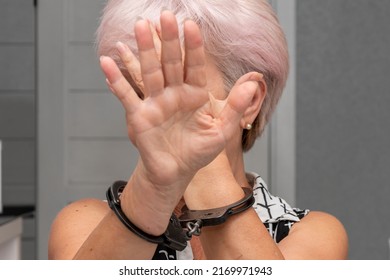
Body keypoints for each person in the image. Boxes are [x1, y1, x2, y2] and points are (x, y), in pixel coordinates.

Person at [48, 0, 348, 260]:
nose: (156, 109)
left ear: (250, 102)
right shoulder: (83, 223)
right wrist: (154, 186)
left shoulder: (313, 234)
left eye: (179, 84)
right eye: (143, 88)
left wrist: (201, 164)